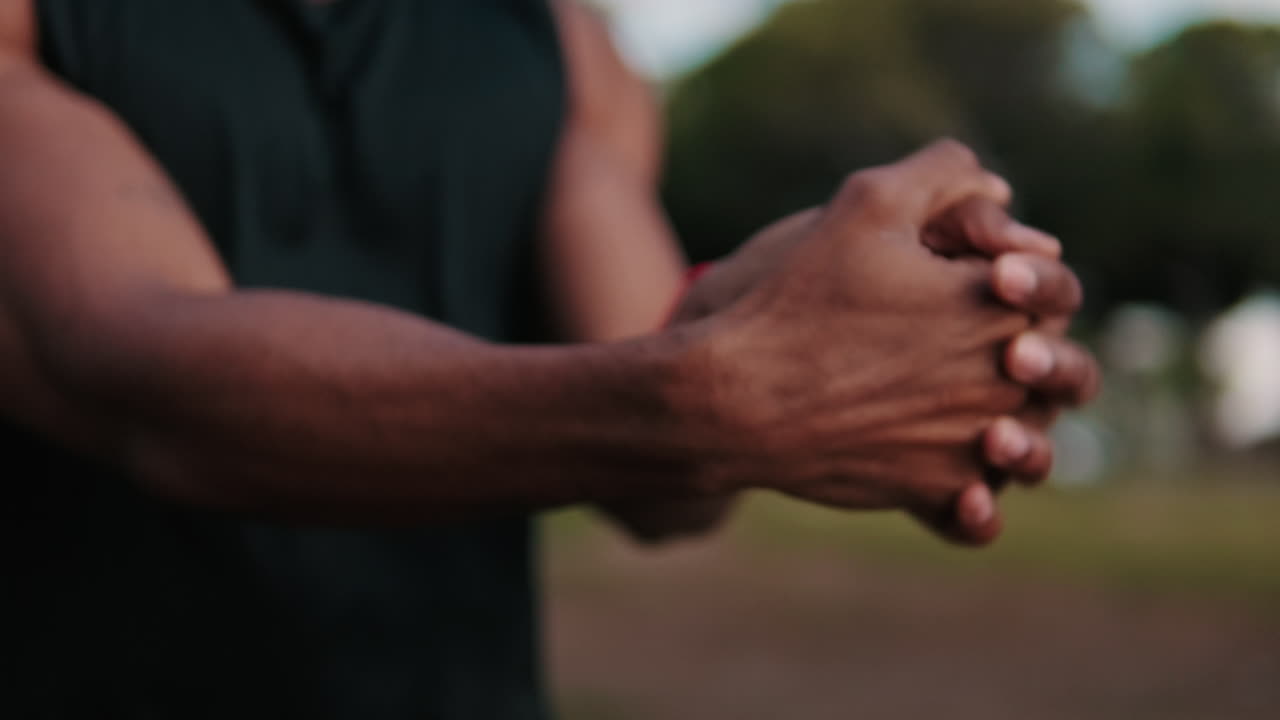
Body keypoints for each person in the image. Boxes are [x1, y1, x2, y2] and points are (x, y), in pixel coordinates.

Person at [0, 0, 1099, 717]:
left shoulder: (560, 37)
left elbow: (662, 482)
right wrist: (719, 393)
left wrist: (832, 316)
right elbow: (142, 375)